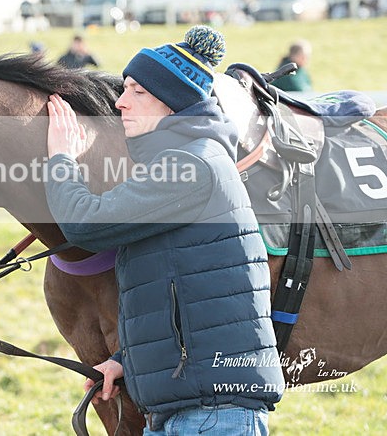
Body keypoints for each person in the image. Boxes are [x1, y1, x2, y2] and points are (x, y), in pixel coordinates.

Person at [44, 26, 283, 435]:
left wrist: (62, 158)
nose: (120, 102)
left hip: (211, 415)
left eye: (137, 91)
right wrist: (127, 360)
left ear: (171, 103)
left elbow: (84, 223)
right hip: (196, 409)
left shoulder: (189, 165)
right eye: (124, 89)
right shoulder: (184, 160)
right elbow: (183, 299)